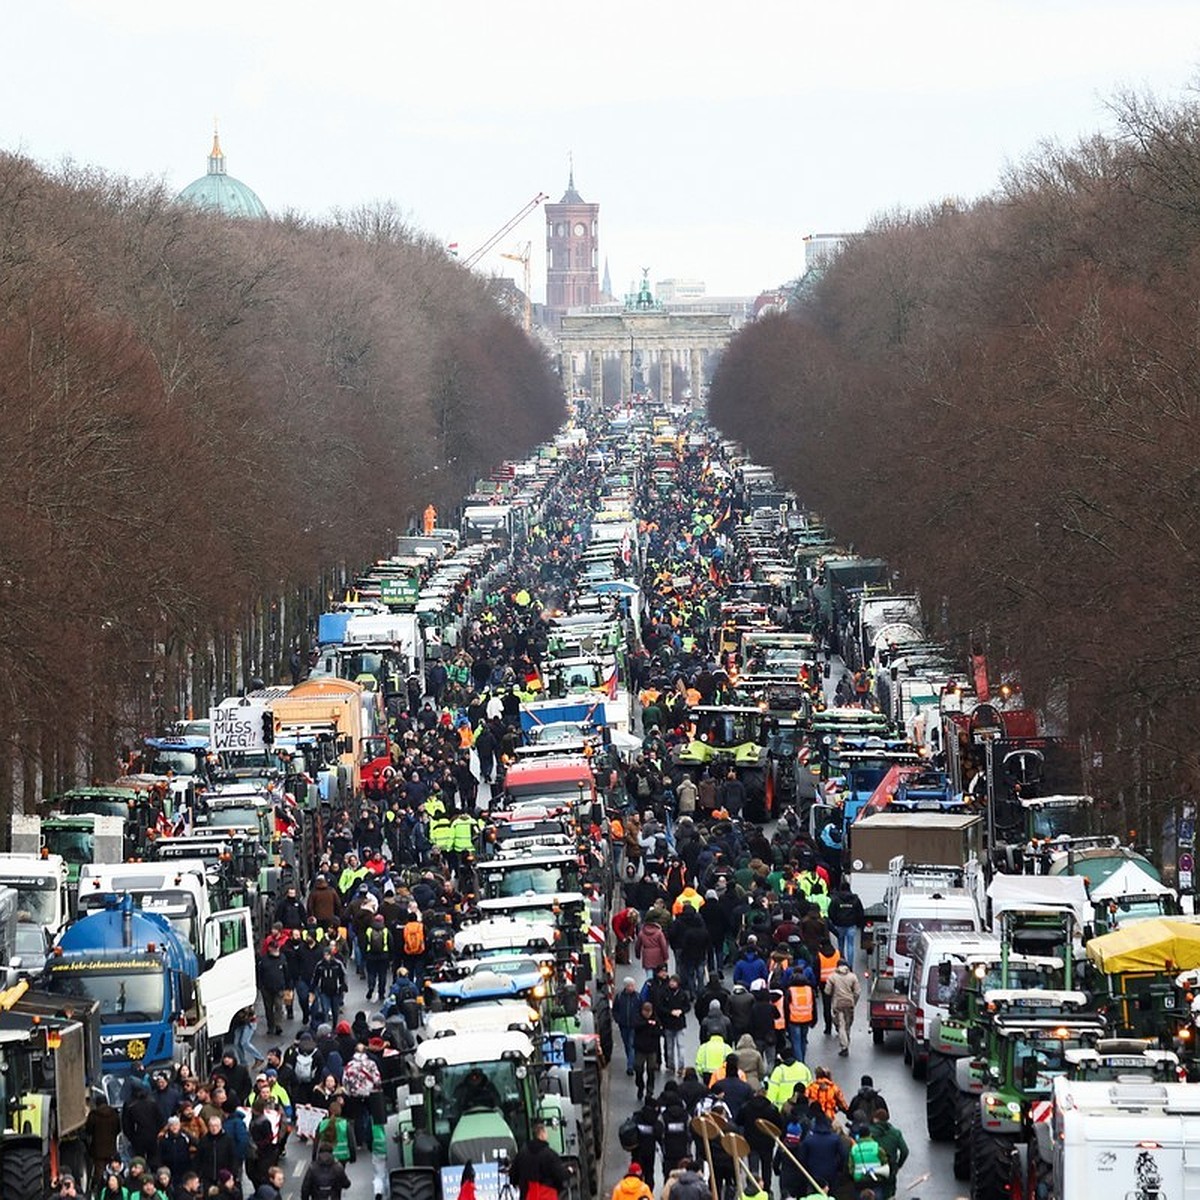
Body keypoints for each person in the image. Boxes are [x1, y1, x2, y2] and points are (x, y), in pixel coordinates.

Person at [508, 1120, 570, 1200]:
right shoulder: (550, 1154)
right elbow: (560, 1176)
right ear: (542, 1133)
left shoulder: (522, 1154)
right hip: (546, 1195)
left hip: (527, 1195)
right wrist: (568, 1172)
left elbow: (513, 1176)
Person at [868, 1106, 909, 1200]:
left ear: (875, 1119)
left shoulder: (870, 1132)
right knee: (889, 1195)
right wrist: (898, 1165)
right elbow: (905, 1151)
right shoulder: (895, 1133)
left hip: (874, 1169)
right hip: (890, 1169)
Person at [824, 960, 861, 1056]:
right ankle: (846, 1042)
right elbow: (857, 992)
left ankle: (844, 1046)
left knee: (841, 1025)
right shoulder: (853, 977)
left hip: (838, 1004)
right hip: (849, 1004)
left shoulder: (832, 977)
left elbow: (827, 991)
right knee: (847, 1025)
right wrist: (854, 1002)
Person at [847, 1124, 890, 1200]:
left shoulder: (854, 1149)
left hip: (859, 1183)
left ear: (859, 1136)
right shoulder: (877, 1148)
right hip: (875, 1182)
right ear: (870, 1134)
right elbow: (885, 1162)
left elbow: (851, 1168)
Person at [633, 1000, 663, 1101]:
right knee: (638, 1068)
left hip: (651, 1050)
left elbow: (659, 1031)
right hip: (640, 1049)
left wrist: (654, 1027)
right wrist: (647, 1023)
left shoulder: (656, 1019)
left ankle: (650, 1091)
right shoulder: (638, 1018)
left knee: (651, 1070)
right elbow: (636, 1026)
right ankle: (640, 1085)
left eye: (649, 1012)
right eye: (645, 1011)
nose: (647, 1014)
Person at [614, 977, 643, 1076]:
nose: (632, 988)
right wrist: (618, 1019)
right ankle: (630, 1059)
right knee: (627, 1044)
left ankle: (630, 1066)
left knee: (631, 1045)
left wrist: (639, 1021)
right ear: (626, 987)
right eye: (630, 986)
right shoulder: (619, 997)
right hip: (623, 1025)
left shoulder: (638, 997)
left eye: (633, 986)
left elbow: (641, 1010)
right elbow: (615, 1010)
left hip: (634, 1026)